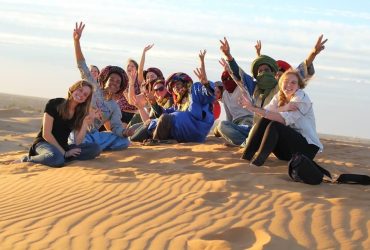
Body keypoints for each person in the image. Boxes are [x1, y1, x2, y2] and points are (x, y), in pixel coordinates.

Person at [240, 69, 323, 166]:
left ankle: (258, 162)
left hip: (306, 150)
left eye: (293, 82)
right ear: (280, 83)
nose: (288, 85)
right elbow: (266, 111)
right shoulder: (279, 95)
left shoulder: (301, 99)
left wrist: (252, 108)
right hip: (287, 151)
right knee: (266, 119)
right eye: (286, 81)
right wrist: (284, 107)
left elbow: (282, 119)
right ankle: (246, 157)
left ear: (298, 86)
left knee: (275, 125)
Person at [73, 22, 131, 151]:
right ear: (104, 81)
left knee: (124, 142)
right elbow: (82, 66)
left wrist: (126, 132)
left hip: (93, 135)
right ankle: (85, 147)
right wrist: (76, 41)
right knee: (78, 141)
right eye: (112, 80)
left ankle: (91, 147)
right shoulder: (93, 88)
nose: (114, 83)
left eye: (118, 82)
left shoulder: (114, 107)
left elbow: (116, 127)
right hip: (77, 129)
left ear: (119, 88)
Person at [20, 80, 100, 167]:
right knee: (56, 158)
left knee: (95, 148)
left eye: (85, 95)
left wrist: (85, 123)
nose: (81, 95)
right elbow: (46, 134)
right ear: (73, 89)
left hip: (63, 146)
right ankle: (26, 159)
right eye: (80, 90)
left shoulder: (79, 113)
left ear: (86, 99)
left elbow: (78, 141)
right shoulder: (54, 104)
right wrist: (65, 153)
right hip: (44, 143)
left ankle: (60, 157)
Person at [150, 50, 215, 143]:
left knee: (165, 118)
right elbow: (164, 112)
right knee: (149, 124)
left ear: (185, 84)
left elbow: (209, 95)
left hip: (194, 132)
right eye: (173, 87)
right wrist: (154, 103)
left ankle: (155, 143)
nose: (176, 88)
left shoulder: (195, 92)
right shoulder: (177, 105)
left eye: (178, 84)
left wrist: (206, 84)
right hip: (179, 132)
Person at [213, 58, 254, 146]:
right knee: (221, 126)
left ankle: (245, 143)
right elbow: (229, 117)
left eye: (229, 78)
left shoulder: (241, 88)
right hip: (235, 125)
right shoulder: (225, 95)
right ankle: (244, 143)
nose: (227, 81)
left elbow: (240, 79)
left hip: (247, 121)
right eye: (224, 80)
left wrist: (230, 71)